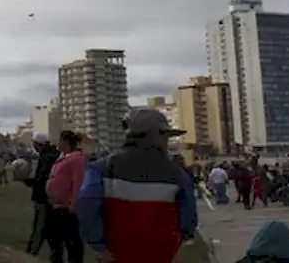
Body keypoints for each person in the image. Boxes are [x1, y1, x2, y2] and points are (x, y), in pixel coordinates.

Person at [76, 109, 197, 263]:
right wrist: (178, 241)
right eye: (166, 136)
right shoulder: (177, 174)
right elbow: (188, 216)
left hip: (116, 253)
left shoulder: (102, 168)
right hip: (161, 253)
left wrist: (99, 246)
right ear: (155, 134)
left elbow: (86, 203)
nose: (167, 142)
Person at [44, 130, 86, 263]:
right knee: (54, 239)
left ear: (66, 142)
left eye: (60, 141)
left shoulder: (77, 159)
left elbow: (78, 181)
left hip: (67, 207)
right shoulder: (63, 157)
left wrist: (74, 203)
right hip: (55, 205)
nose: (57, 144)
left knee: (72, 241)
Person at [23, 132, 62, 256]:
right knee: (52, 228)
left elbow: (42, 180)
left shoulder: (45, 158)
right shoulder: (56, 156)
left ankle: (31, 252)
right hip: (54, 198)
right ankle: (56, 254)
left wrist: (26, 180)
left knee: (40, 227)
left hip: (43, 198)